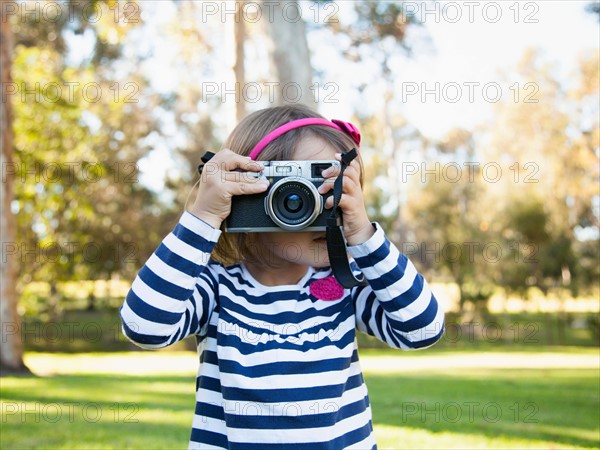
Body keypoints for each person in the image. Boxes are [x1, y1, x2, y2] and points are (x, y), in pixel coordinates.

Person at [120, 104, 444, 450]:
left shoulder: (343, 284)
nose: (323, 206)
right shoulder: (217, 289)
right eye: (299, 190)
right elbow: (145, 327)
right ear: (247, 188)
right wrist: (204, 216)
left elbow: (422, 329)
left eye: (334, 188)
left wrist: (363, 233)